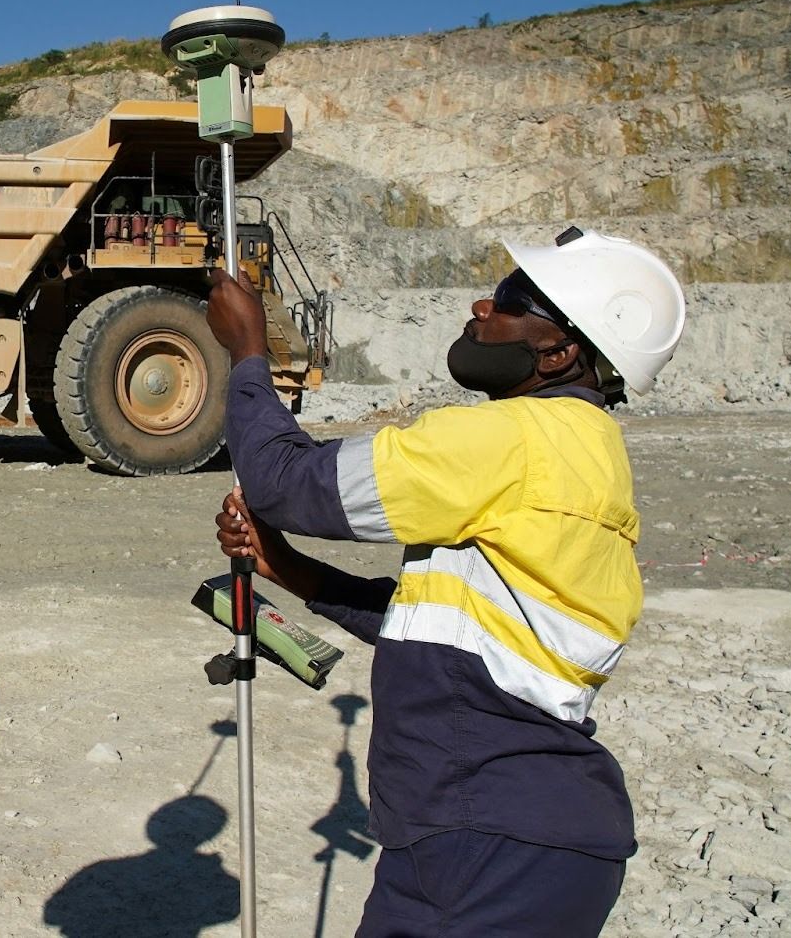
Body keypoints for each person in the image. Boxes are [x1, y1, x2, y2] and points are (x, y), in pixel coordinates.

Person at [205, 227, 685, 937]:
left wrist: (247, 351)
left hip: (483, 842)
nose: (481, 305)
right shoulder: (591, 456)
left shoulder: (512, 440)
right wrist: (293, 571)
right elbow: (461, 630)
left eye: (512, 299)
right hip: (538, 843)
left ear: (559, 350)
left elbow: (280, 484)